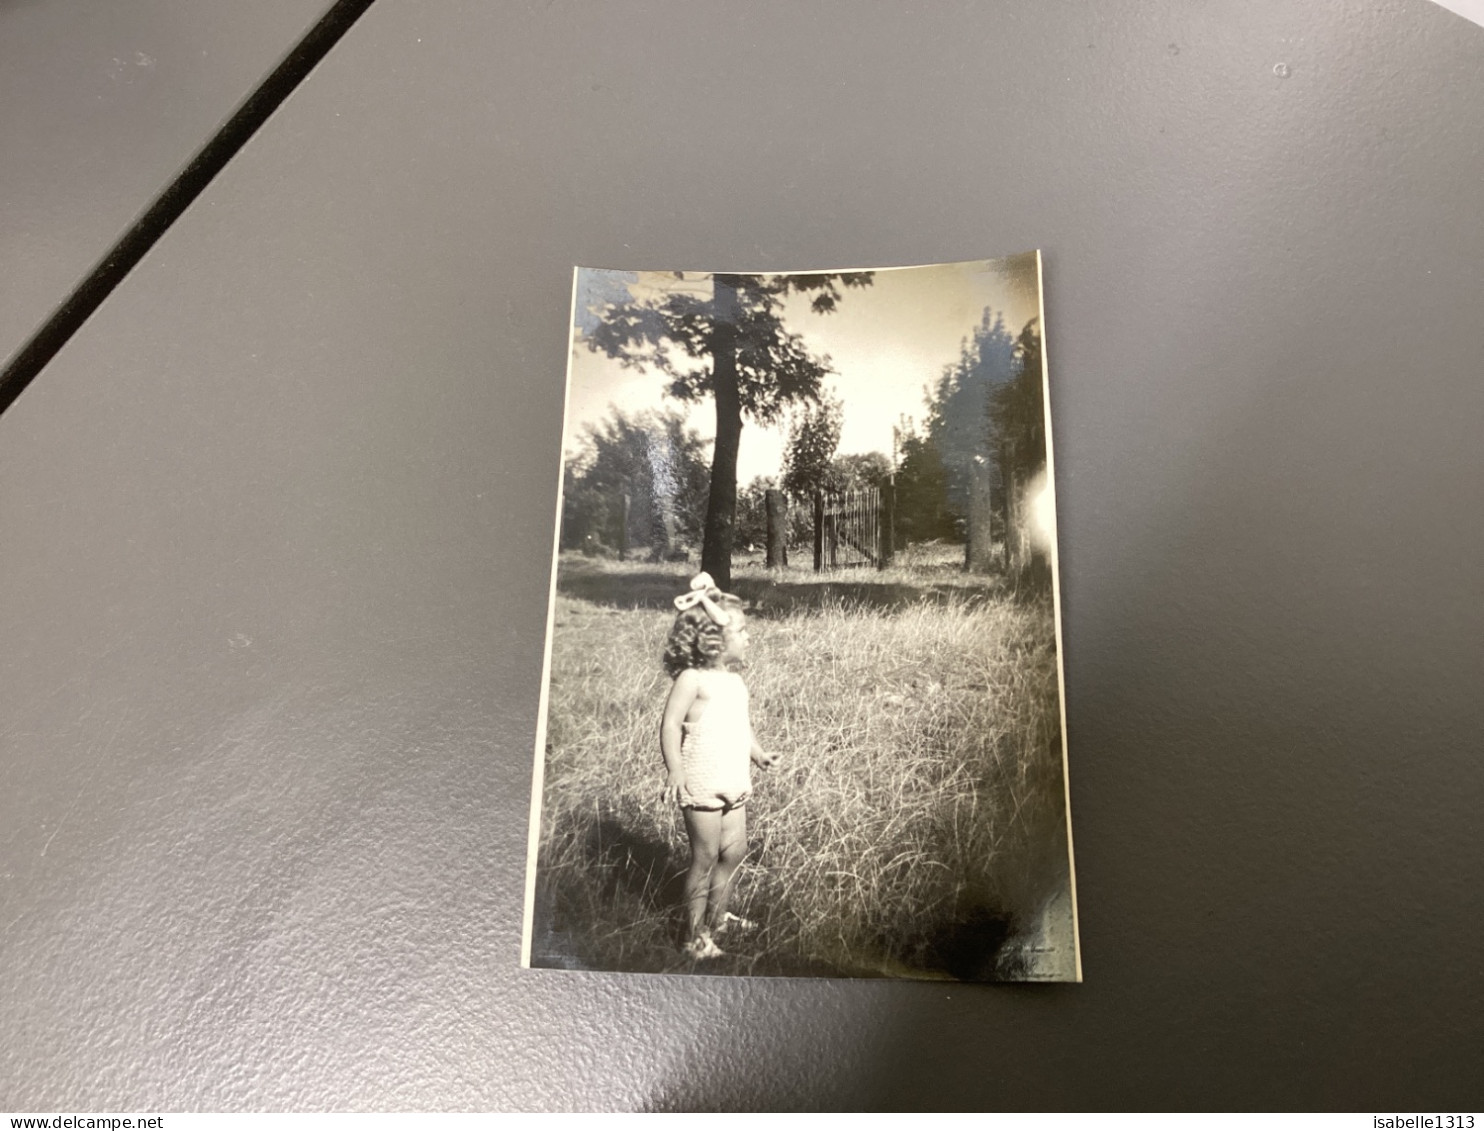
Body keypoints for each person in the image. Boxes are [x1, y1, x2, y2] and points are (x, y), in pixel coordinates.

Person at [660, 572, 778, 959]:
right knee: (705, 856)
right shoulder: (692, 679)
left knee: (734, 852)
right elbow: (671, 724)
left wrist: (757, 753)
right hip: (703, 782)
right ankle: (694, 937)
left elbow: (740, 727)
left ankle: (720, 915)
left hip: (734, 779)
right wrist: (675, 770)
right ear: (714, 638)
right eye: (741, 630)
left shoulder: (734, 682)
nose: (747, 637)